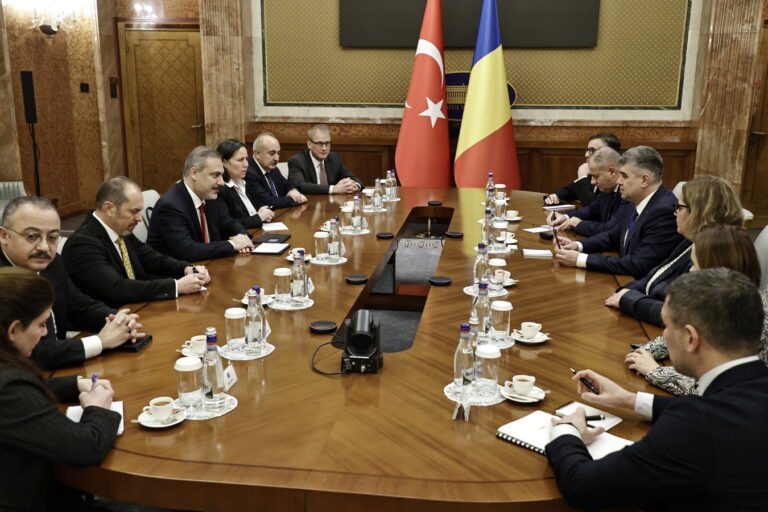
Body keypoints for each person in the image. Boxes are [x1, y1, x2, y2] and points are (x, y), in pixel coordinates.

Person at [546, 268, 768, 511]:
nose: (664, 334)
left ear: (690, 339)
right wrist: (629, 399)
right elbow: (731, 411)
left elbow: (583, 486)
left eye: (667, 325)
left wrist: (567, 431)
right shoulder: (750, 390)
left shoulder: (694, 425)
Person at [0, 267, 121, 512]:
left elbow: (26, 389)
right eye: (41, 325)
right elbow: (87, 447)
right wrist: (98, 408)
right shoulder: (9, 387)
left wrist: (75, 383)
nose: (45, 333)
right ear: (13, 330)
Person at [0, 196, 143, 370]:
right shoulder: (3, 283)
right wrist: (100, 342)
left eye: (52, 237)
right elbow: (25, 354)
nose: (44, 247)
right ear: (4, 236)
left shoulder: (53, 263)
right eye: (32, 236)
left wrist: (119, 321)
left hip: (62, 371)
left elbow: (79, 306)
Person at [626, 225, 767, 395]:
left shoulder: (749, 316)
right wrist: (647, 351)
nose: (690, 270)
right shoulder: (721, 298)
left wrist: (654, 371)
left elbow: (714, 387)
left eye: (694, 264)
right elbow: (683, 330)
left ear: (713, 269)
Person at [605, 176, 744, 325]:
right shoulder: (690, 240)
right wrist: (623, 292)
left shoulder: (714, 253)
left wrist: (629, 299)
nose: (675, 213)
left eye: (679, 207)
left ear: (698, 212)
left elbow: (685, 314)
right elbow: (656, 274)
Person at [62, 177, 210, 308]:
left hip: (139, 307)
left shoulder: (120, 230)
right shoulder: (82, 244)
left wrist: (185, 268)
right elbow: (116, 288)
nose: (139, 218)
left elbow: (152, 258)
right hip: (110, 319)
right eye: (134, 212)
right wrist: (176, 286)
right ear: (109, 209)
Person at [554, 146, 683, 279]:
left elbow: (639, 264)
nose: (619, 181)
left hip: (638, 284)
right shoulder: (636, 199)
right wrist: (577, 246)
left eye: (624, 176)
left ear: (644, 180)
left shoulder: (663, 211)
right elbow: (613, 236)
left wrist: (581, 259)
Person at [147, 146, 253, 261]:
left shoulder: (209, 196)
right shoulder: (170, 206)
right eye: (215, 175)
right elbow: (188, 250)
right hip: (179, 270)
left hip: (207, 265)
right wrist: (233, 244)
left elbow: (229, 224)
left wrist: (243, 238)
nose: (222, 182)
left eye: (222, 175)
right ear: (194, 173)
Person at [546, 147, 630, 237]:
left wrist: (579, 224)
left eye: (596, 176)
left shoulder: (628, 193)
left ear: (612, 172)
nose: (592, 182)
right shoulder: (607, 189)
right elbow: (590, 210)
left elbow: (610, 229)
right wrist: (565, 217)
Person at [544, 133, 621, 206]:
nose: (586, 155)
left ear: (609, 153)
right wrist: (556, 196)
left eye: (592, 150)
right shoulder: (593, 174)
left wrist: (582, 177)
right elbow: (570, 190)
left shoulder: (620, 181)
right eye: (587, 150)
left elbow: (595, 209)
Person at [288, 124, 364, 195]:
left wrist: (354, 186)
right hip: (309, 203)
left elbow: (352, 177)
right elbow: (300, 186)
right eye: (320, 144)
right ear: (309, 144)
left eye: (327, 143)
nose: (324, 148)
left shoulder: (333, 158)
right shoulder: (297, 161)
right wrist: (334, 189)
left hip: (332, 202)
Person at [216, 139, 275, 229]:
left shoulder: (245, 181)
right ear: (225, 163)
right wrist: (258, 218)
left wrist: (264, 211)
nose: (246, 164)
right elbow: (227, 225)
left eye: (246, 159)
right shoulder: (220, 190)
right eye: (240, 160)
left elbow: (259, 206)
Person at [245, 133, 307, 209]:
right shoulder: (249, 172)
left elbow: (288, 184)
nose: (276, 158)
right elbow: (269, 203)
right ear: (257, 153)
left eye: (278, 153)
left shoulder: (272, 168)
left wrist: (293, 190)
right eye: (272, 153)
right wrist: (296, 199)